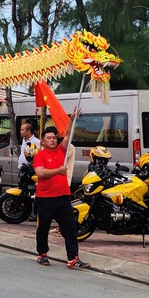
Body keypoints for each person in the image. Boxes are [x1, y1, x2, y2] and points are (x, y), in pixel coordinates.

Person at [32, 115, 90, 270]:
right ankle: (42, 254)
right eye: (48, 138)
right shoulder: (40, 156)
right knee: (43, 227)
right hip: (45, 198)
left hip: (63, 197)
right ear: (42, 141)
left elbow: (69, 134)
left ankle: (73, 258)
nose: (52, 140)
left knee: (70, 227)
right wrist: (58, 170)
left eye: (54, 137)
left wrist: (72, 120)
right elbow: (41, 173)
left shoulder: (62, 151)